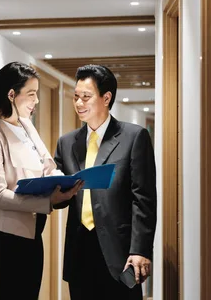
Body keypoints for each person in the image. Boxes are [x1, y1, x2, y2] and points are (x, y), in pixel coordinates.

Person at [0, 61, 83, 300]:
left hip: (33, 230)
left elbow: (48, 165)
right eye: (32, 94)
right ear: (11, 94)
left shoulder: (26, 126)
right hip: (6, 235)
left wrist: (64, 182)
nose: (36, 101)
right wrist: (47, 202)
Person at [54, 64, 157, 300]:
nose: (79, 103)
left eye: (86, 97)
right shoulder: (67, 143)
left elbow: (144, 199)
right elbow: (59, 198)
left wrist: (140, 250)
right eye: (76, 97)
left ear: (106, 97)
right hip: (80, 251)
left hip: (120, 253)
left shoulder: (134, 137)